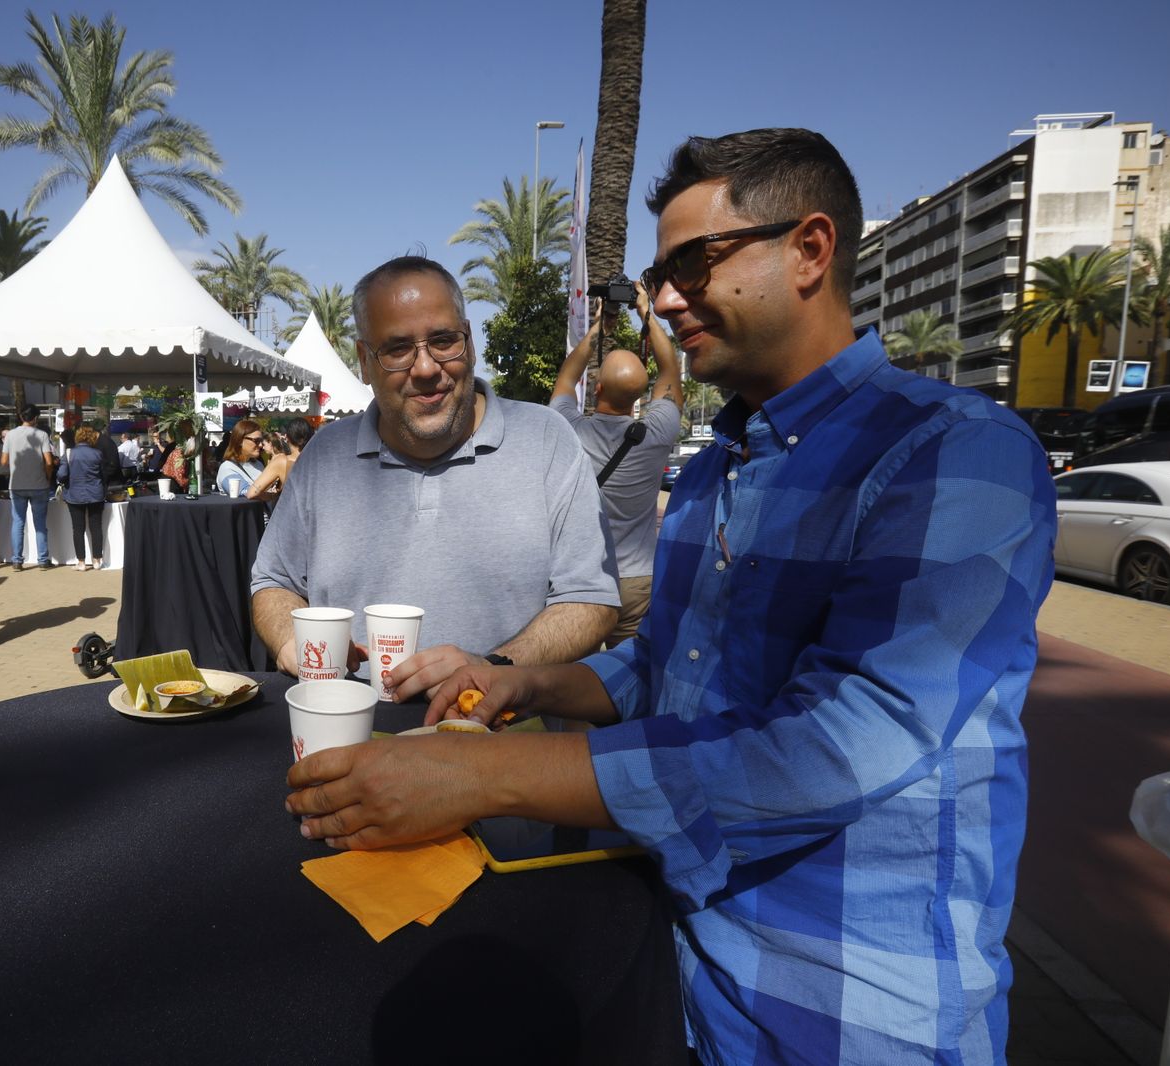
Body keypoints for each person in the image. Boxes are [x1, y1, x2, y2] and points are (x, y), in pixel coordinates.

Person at [284, 129, 1057, 1064]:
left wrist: (477, 776)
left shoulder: (952, 455)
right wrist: (519, 683)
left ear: (811, 250)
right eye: (660, 276)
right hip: (673, 973)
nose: (667, 300)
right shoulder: (713, 471)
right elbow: (663, 669)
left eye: (695, 263)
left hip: (846, 1016)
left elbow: (835, 749)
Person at [251, 255, 620, 694]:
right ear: (365, 362)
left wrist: (494, 667)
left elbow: (591, 599)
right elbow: (273, 581)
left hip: (501, 743)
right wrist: (290, 638)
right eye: (398, 349)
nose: (425, 369)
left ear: (470, 342)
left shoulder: (546, 441)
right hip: (349, 738)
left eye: (443, 341)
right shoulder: (325, 456)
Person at [550, 284, 683, 644]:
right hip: (638, 580)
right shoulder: (658, 431)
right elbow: (670, 368)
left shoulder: (569, 429)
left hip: (586, 580)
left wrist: (596, 331)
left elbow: (565, 378)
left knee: (579, 678)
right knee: (632, 673)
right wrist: (645, 313)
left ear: (596, 390)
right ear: (641, 398)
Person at [1, 404, 56, 572]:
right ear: (36, 418)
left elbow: (3, 461)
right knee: (40, 523)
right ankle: (42, 560)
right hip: (39, 484)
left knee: (18, 523)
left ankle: (17, 561)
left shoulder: (10, 435)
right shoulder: (42, 435)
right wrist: (47, 476)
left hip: (16, 485)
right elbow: (48, 461)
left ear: (20, 416)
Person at [57, 425, 107, 570]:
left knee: (78, 529)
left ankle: (81, 562)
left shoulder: (69, 453)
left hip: (74, 494)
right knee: (96, 527)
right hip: (96, 494)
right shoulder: (98, 453)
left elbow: (62, 474)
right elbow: (103, 474)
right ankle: (97, 560)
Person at [246, 418, 313, 498]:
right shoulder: (319, 461)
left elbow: (252, 493)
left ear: (286, 437)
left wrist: (274, 496)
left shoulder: (282, 461)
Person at [215, 419, 267, 496]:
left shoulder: (258, 464)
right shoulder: (227, 468)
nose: (260, 445)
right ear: (239, 441)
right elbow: (243, 492)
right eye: (256, 441)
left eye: (261, 441)